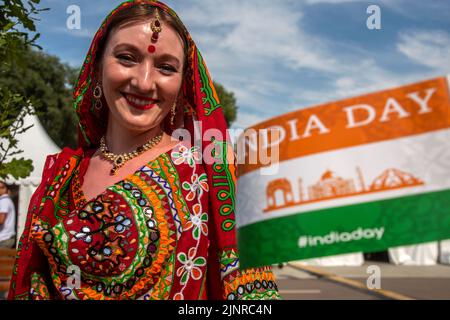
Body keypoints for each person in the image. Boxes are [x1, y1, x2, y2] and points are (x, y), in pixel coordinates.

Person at [8, 0, 280, 300]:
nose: (144, 82)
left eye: (166, 67)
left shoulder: (211, 176)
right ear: (97, 67)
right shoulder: (61, 175)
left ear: (182, 84)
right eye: (126, 58)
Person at [0, 181, 16, 248]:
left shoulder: (4, 201)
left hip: (4, 238)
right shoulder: (7, 200)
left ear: (5, 189)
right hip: (7, 238)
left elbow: (1, 220)